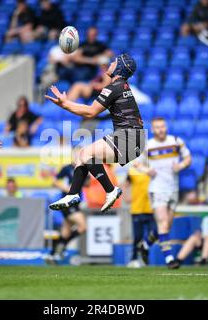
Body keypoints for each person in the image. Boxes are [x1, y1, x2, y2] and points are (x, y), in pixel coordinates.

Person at [45, 53, 144, 213]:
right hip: (134, 139)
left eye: (114, 62)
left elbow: (91, 112)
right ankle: (73, 194)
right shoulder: (121, 86)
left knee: (85, 153)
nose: (110, 63)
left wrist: (65, 104)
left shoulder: (114, 87)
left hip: (129, 137)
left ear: (120, 67)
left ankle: (110, 190)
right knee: (83, 156)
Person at [133, 117, 192, 269]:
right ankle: (169, 259)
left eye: (162, 126)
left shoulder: (176, 141)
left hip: (173, 189)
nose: (160, 129)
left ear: (166, 127)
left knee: (165, 227)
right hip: (157, 189)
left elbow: (188, 158)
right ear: (153, 130)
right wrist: (147, 170)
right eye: (157, 127)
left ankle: (145, 244)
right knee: (163, 223)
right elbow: (136, 162)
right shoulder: (148, 146)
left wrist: (181, 165)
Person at [49, 153, 87, 261]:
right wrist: (66, 188)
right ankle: (63, 246)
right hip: (68, 203)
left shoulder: (84, 169)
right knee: (83, 227)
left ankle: (52, 254)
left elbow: (86, 184)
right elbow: (54, 181)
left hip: (76, 203)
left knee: (66, 232)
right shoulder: (67, 169)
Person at [121, 163, 155, 268]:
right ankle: (134, 259)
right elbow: (125, 184)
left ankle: (144, 256)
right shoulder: (133, 171)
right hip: (137, 208)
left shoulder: (152, 170)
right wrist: (126, 197)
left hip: (151, 208)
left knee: (152, 234)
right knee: (137, 236)